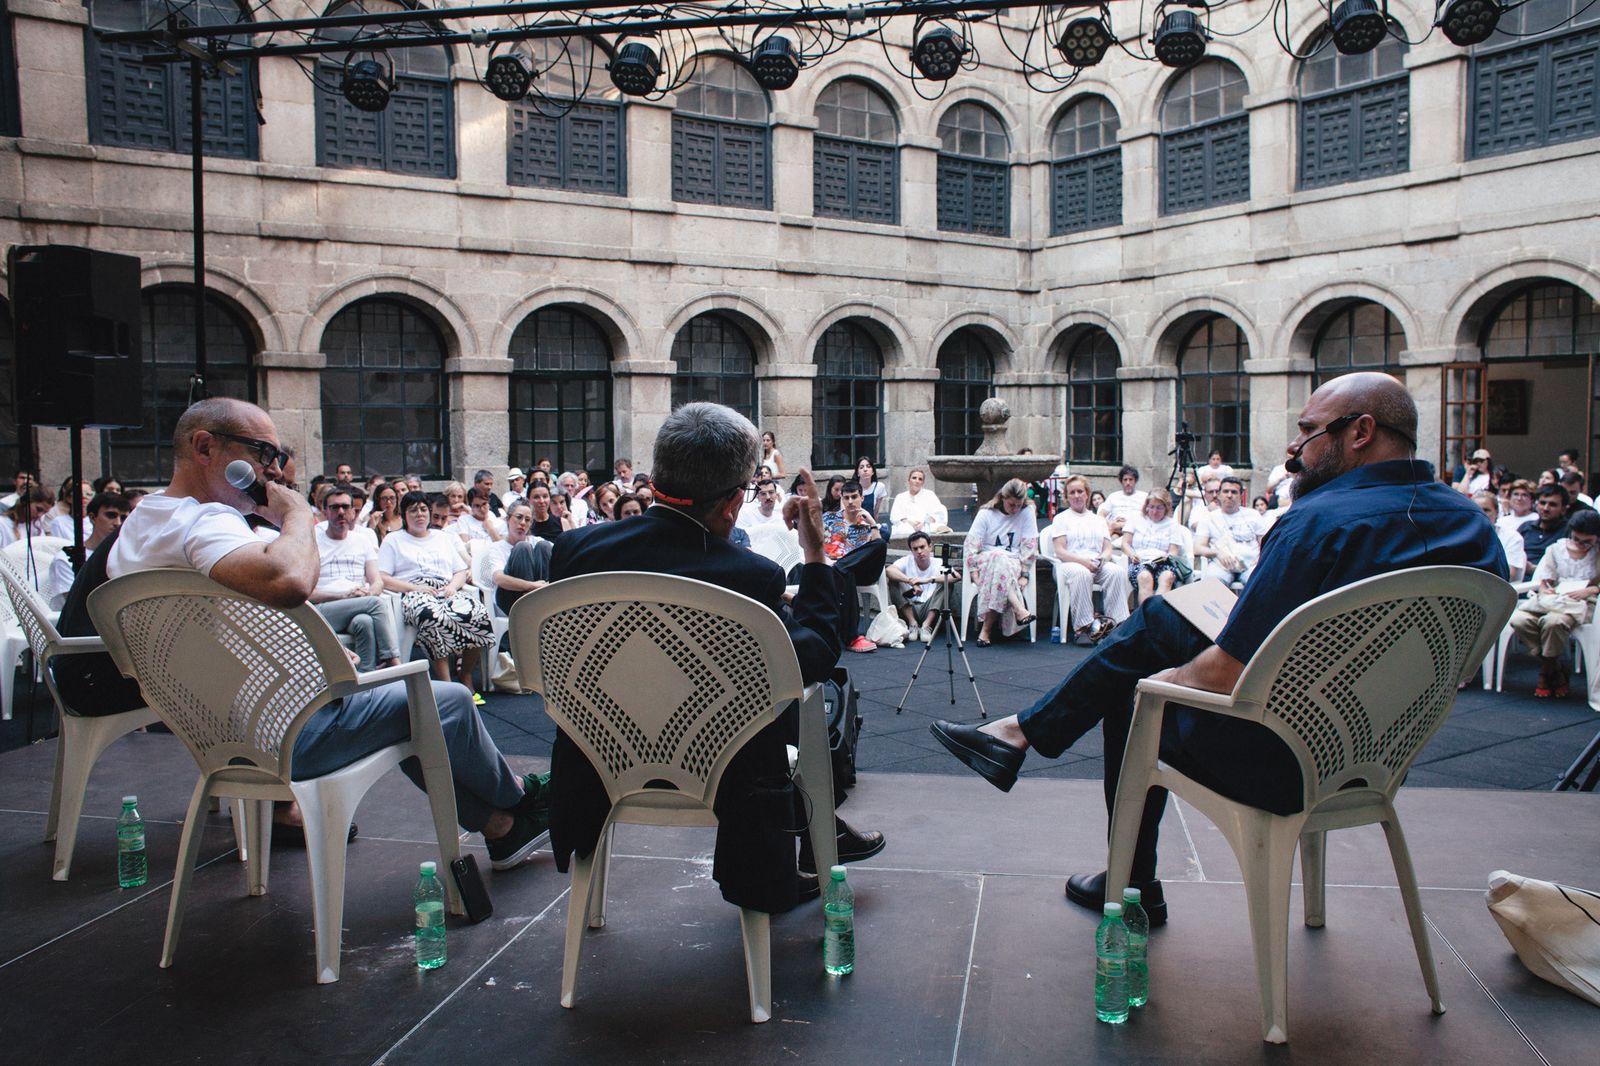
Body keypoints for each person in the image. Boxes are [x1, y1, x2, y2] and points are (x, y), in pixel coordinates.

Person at [929, 372, 1507, 924]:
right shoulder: (1472, 526)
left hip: (1278, 759)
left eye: (1308, 431)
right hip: (1376, 759)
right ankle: (1026, 744)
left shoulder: (1315, 524)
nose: (1293, 445)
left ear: (1359, 433)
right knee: (1164, 616)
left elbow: (1228, 672)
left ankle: (1125, 874)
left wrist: (1158, 684)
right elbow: (1459, 659)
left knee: (1133, 684)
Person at [55, 398, 548, 868]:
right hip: (284, 733)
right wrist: (295, 515)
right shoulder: (202, 522)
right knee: (446, 702)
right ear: (206, 448)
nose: (273, 469)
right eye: (263, 453)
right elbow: (289, 582)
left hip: (216, 730)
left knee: (417, 709)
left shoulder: (145, 522)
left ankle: (503, 826)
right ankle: (522, 804)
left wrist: (306, 659)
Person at [547, 402, 885, 914]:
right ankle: (809, 833)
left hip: (599, 764)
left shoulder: (574, 552)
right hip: (722, 775)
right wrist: (815, 556)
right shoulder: (750, 577)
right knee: (792, 699)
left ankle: (819, 826)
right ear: (731, 506)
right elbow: (812, 658)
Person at [378, 491, 497, 697]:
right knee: (434, 617)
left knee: (479, 614)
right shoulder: (393, 539)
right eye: (413, 510)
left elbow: (460, 570)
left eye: (423, 509)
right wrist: (415, 589)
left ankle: (466, 675)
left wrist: (452, 586)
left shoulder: (442, 537)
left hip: (446, 588)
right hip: (414, 592)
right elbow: (383, 577)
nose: (419, 515)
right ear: (404, 514)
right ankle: (447, 685)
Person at [1509, 508, 1600, 698]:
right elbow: (1544, 579)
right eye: (1577, 539)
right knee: (1519, 620)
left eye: (1587, 542)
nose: (1581, 545)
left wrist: (1592, 589)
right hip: (1553, 599)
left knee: (1553, 623)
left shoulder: (1597, 553)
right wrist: (1546, 589)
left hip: (1581, 603)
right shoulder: (1556, 549)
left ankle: (1545, 672)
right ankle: (1555, 667)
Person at [309, 487, 401, 672]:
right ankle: (394, 661)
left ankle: (366, 677)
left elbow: (377, 582)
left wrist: (368, 593)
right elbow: (308, 593)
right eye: (335, 508)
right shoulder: (313, 543)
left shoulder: (362, 541)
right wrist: (344, 596)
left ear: (353, 511)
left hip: (359, 604)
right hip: (323, 611)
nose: (341, 512)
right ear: (325, 511)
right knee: (375, 605)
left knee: (364, 621)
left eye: (345, 507)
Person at [1043, 475, 1130, 645]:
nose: (1076, 496)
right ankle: (1083, 628)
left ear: (1087, 494)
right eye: (1072, 492)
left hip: (1096, 564)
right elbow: (1060, 551)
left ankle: (1116, 625)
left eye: (1080, 491)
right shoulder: (1061, 519)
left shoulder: (1098, 520)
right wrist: (1085, 562)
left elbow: (1107, 548)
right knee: (1082, 573)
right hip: (1069, 564)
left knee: (1116, 572)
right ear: (1067, 496)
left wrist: (1102, 560)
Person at [964, 478, 1039, 646]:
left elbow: (1030, 545)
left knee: (1001, 561)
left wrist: (1025, 573)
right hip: (986, 561)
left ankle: (986, 630)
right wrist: (973, 570)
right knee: (998, 557)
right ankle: (1018, 608)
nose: (1015, 509)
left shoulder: (1027, 512)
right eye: (1011, 504)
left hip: (1013, 563)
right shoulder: (986, 513)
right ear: (1002, 498)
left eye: (1019, 505)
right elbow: (971, 544)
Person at [47, 491, 127, 610]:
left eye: (123, 518)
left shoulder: (126, 556)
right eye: (111, 515)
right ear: (92, 517)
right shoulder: (65, 558)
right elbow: (76, 605)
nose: (118, 523)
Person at [1194, 477, 1265, 587]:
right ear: (1219, 494)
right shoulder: (1208, 518)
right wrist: (1217, 553)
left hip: (1251, 565)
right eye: (1226, 491)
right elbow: (1198, 548)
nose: (1229, 495)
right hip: (1221, 566)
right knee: (1212, 581)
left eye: (1234, 492)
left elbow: (1265, 541)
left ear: (1241, 495)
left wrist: (1261, 557)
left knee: (1259, 581)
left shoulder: (1253, 515)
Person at [887, 531, 956, 643]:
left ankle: (926, 626)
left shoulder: (938, 562)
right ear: (911, 551)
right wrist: (910, 582)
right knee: (893, 581)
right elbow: (889, 570)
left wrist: (928, 580)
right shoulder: (907, 560)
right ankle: (912, 624)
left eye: (922, 547)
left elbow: (956, 576)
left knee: (947, 581)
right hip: (910, 607)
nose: (919, 551)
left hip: (931, 608)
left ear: (930, 547)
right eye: (915, 549)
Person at [1122, 489, 1184, 603]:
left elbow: (1174, 551)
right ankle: (1147, 616)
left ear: (1166, 508)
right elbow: (1125, 543)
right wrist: (1132, 554)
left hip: (1162, 563)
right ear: (1146, 506)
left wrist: (1166, 557)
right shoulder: (1136, 519)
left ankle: (1156, 614)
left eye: (1159, 508)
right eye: (1151, 507)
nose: (1154, 511)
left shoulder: (1172, 525)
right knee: (1145, 577)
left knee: (1168, 576)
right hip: (1140, 562)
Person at [1474, 490, 1527, 582]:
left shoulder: (1512, 537)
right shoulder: (1462, 535)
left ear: (1497, 512)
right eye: (1476, 510)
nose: (1481, 514)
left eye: (1486, 510)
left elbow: (1509, 574)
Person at [1519, 484, 1570, 570]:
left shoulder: (1568, 532)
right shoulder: (1525, 527)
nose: (1546, 508)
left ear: (1563, 509)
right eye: (1542, 503)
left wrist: (1533, 569)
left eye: (1552, 504)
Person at [889, 468, 950, 539]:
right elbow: (895, 516)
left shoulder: (929, 495)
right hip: (907, 527)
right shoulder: (900, 497)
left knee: (938, 528)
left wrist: (923, 523)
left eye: (920, 479)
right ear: (909, 480)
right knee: (902, 529)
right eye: (914, 478)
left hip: (926, 526)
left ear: (923, 483)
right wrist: (910, 523)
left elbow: (939, 512)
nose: (917, 481)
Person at [1096, 466, 1147, 540]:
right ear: (1121, 481)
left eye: (1130, 480)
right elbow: (1101, 515)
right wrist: (1110, 522)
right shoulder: (1113, 496)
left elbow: (1149, 517)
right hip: (1116, 531)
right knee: (1113, 538)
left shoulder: (1144, 496)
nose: (1128, 483)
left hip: (1136, 531)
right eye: (1125, 480)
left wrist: (1125, 524)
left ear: (1135, 481)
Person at [0, 484, 52, 548]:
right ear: (26, 502)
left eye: (44, 512)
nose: (39, 515)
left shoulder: (36, 525)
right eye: (38, 509)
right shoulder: (2, 524)